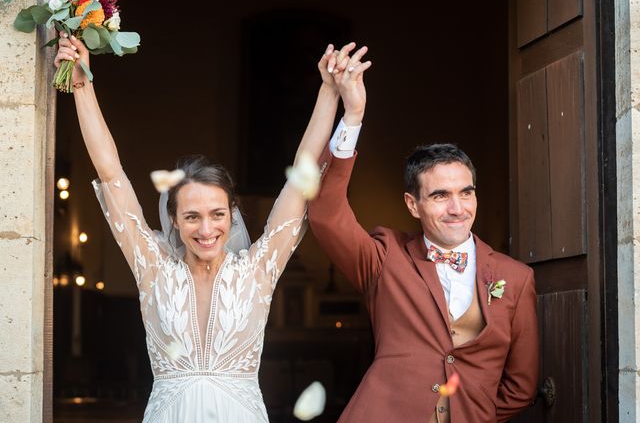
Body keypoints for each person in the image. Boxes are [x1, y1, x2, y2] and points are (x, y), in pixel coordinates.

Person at [54, 35, 370, 422]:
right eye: (192, 217)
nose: (207, 229)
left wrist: (328, 92)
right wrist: (82, 85)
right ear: (173, 219)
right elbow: (110, 171)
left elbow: (301, 176)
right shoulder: (152, 270)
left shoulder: (258, 272)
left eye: (217, 214)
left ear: (232, 212)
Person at [309, 45, 539, 422]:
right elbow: (324, 212)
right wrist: (354, 113)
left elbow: (520, 386)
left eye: (466, 193)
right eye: (440, 196)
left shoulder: (516, 278)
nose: (457, 208)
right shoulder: (384, 258)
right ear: (412, 205)